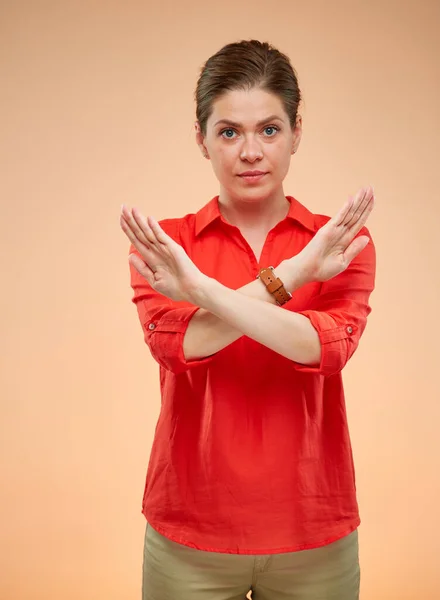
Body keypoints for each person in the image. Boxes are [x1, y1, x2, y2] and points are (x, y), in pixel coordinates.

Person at [120, 39, 375, 600]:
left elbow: (323, 349)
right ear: (202, 140)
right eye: (229, 132)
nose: (251, 151)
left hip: (315, 531)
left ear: (297, 132)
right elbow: (179, 346)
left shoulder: (338, 244)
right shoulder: (168, 245)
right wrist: (297, 274)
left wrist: (202, 290)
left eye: (270, 129)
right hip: (189, 532)